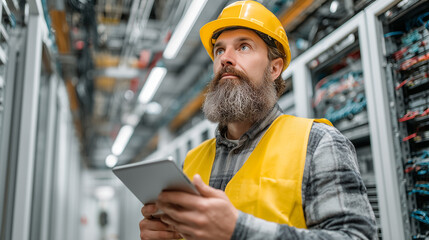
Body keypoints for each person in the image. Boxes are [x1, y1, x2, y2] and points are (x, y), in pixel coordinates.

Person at [139, 1, 377, 239]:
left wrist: (238, 231)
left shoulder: (317, 143)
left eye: (243, 47)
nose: (226, 59)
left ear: (274, 69)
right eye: (219, 50)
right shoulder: (192, 161)